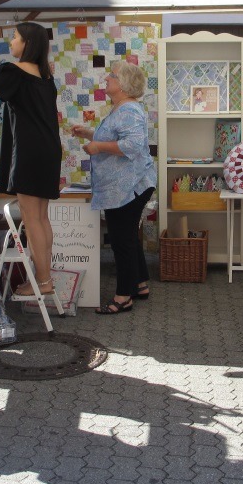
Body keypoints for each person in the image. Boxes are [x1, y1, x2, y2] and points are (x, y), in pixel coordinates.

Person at [0, 22, 59, 297]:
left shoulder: (14, 72)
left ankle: (42, 282)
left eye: (15, 38)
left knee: (32, 220)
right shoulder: (45, 76)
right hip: (48, 150)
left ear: (27, 43)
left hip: (30, 153)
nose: (12, 42)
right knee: (41, 218)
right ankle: (44, 278)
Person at [71, 61, 156, 315]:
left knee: (121, 240)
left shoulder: (128, 110)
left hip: (129, 187)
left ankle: (123, 297)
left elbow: (131, 145)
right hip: (125, 186)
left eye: (112, 75)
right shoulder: (122, 108)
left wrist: (97, 147)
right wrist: (89, 134)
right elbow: (115, 137)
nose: (106, 77)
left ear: (124, 84)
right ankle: (139, 284)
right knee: (127, 236)